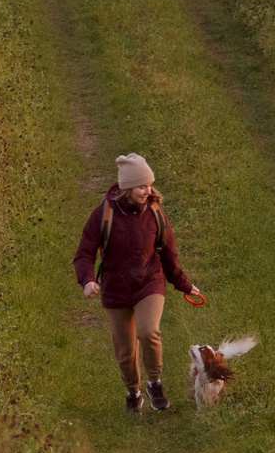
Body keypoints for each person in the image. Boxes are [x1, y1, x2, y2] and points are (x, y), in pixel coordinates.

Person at [73, 152, 203, 412]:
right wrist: (87, 280)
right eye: (142, 186)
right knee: (125, 351)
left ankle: (154, 382)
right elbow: (84, 254)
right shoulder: (103, 215)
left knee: (148, 331)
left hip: (148, 284)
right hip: (116, 289)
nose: (148, 190)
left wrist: (184, 284)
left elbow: (169, 254)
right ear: (128, 188)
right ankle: (133, 391)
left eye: (149, 184)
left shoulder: (155, 213)